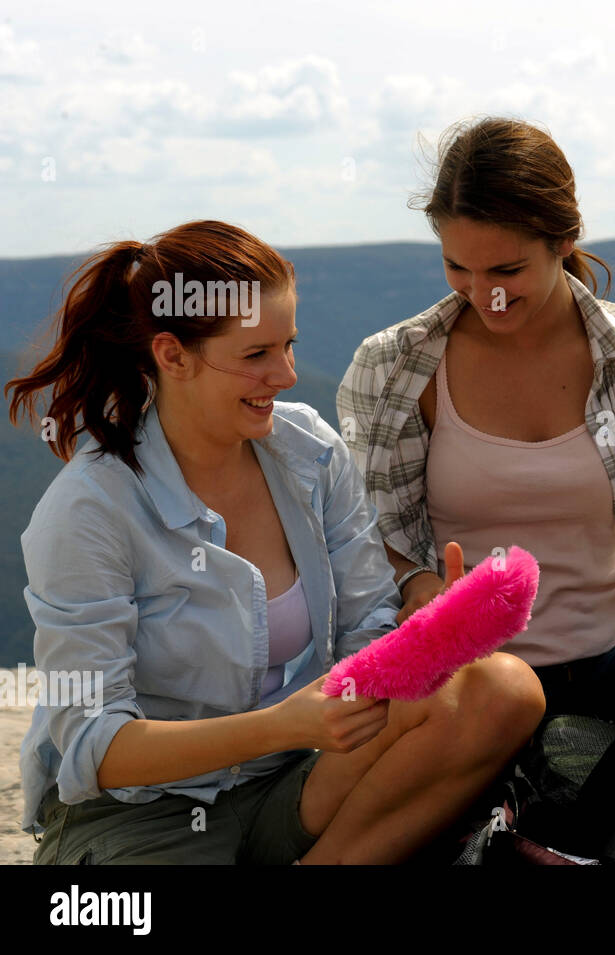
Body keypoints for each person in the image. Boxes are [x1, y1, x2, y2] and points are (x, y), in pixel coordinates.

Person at [6, 220, 545, 864]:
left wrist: (431, 636)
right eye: (257, 354)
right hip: (145, 819)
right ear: (171, 355)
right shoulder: (91, 509)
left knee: (500, 690)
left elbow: (366, 630)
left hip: (295, 782)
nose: (287, 375)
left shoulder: (308, 453)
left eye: (289, 345)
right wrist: (281, 726)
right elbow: (93, 744)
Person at [337, 117, 615, 723]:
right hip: (478, 687)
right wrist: (419, 589)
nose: (483, 293)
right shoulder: (391, 367)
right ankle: (580, 770)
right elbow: (366, 531)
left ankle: (567, 770)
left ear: (564, 240)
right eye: (459, 268)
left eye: (507, 271)